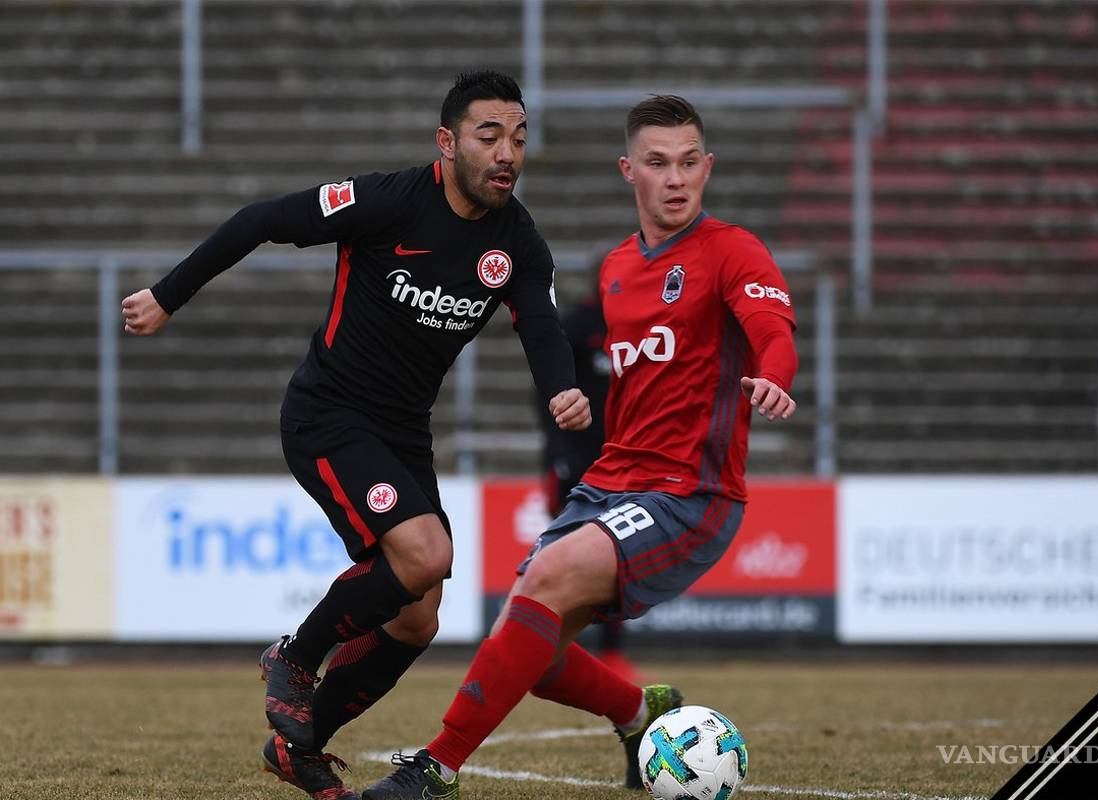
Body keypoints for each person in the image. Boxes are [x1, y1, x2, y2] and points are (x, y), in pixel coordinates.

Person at [120, 70, 590, 800]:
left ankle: (297, 748)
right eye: (489, 135)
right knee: (428, 553)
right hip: (329, 413)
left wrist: (563, 388)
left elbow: (541, 325)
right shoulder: (388, 201)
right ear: (447, 142)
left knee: (419, 616)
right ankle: (295, 657)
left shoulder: (518, 242)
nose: (507, 152)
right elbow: (262, 218)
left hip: (403, 432)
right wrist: (167, 295)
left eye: (519, 137)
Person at [363, 94, 797, 800]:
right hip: (612, 481)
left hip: (691, 491)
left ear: (708, 167)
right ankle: (639, 711)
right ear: (630, 170)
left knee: (546, 581)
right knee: (521, 644)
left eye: (689, 162)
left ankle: (434, 768)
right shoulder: (617, 270)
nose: (676, 178)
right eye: (658, 163)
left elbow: (773, 329)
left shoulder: (732, 250)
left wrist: (773, 378)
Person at [536, 251, 642, 682]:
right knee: (562, 557)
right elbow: (549, 393)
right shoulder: (578, 326)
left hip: (621, 461)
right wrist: (557, 449)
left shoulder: (639, 326)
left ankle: (612, 654)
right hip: (574, 461)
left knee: (616, 560)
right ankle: (551, 647)